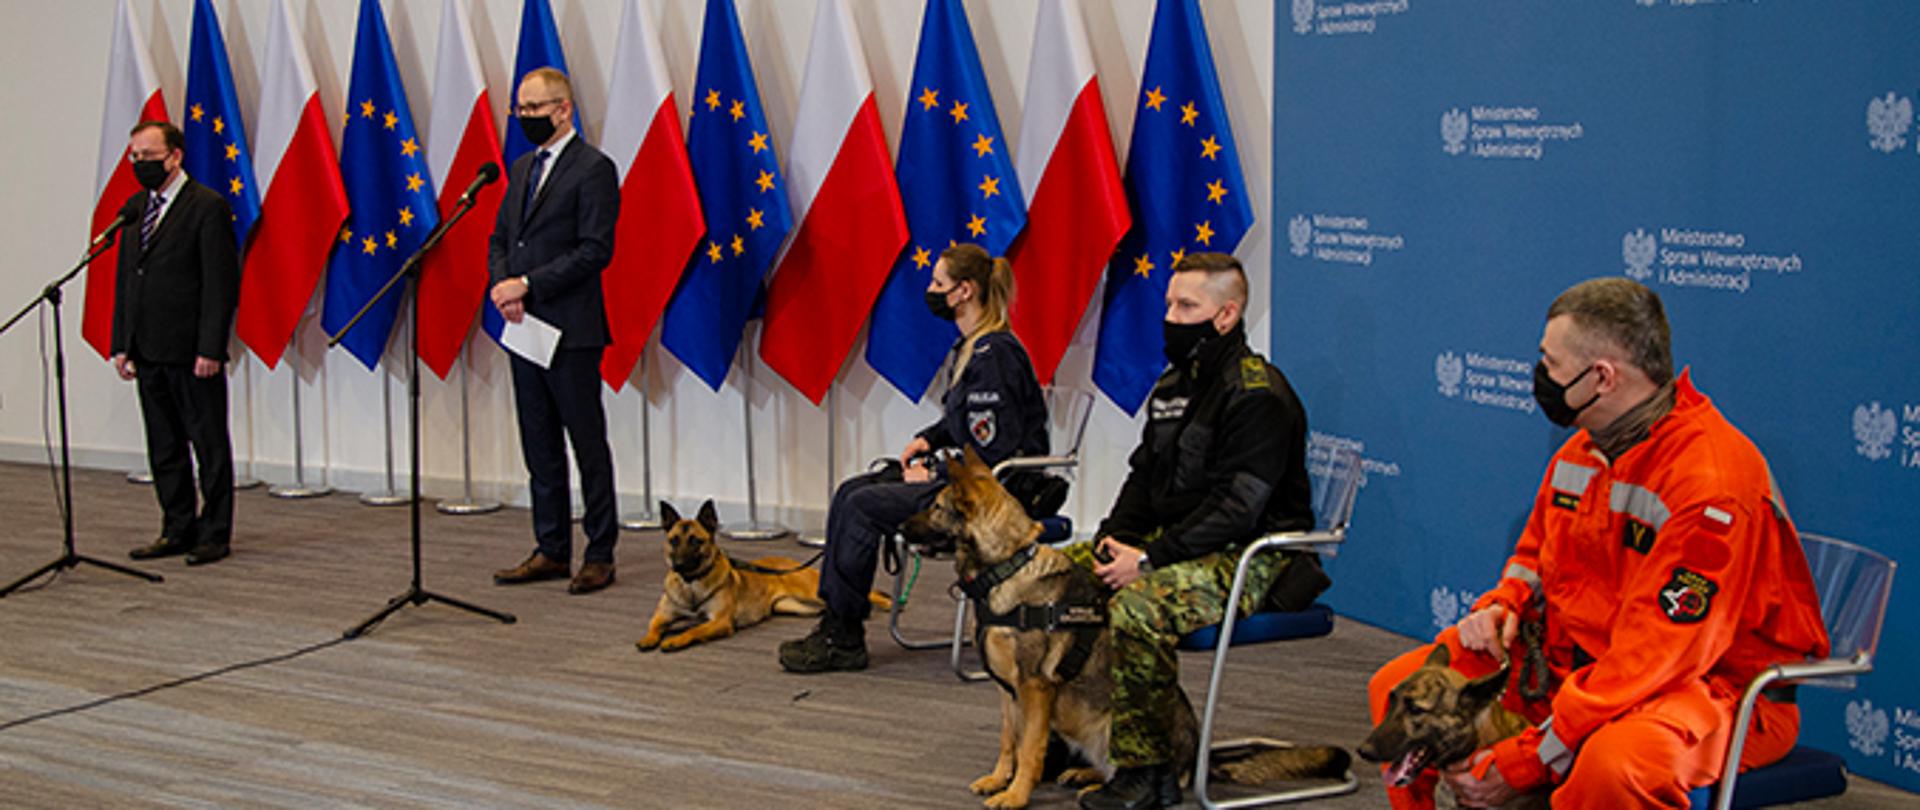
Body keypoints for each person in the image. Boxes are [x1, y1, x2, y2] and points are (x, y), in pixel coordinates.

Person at [1365, 278, 1830, 809]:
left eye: (1550, 363)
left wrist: (1528, 758)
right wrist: (1504, 605)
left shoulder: (1712, 482)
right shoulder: (1582, 453)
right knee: (1397, 686)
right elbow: (1532, 558)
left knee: (1613, 765)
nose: (1540, 375)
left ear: (1602, 377)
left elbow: (1658, 653)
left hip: (1707, 688)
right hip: (1577, 667)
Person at [1076, 252, 1316, 810]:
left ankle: (1147, 770)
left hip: (1254, 554)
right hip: (1179, 542)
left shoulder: (1258, 394)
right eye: (1169, 304)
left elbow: (1239, 509)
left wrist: (1148, 560)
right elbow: (1143, 478)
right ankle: (1077, 734)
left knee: (1137, 607)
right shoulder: (1173, 385)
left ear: (1226, 315)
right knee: (1057, 575)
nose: (1170, 318)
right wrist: (1114, 538)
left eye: (1186, 307)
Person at [779, 243, 1048, 673]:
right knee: (850, 491)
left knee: (862, 506)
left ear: (964, 291)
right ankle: (836, 623)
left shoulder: (994, 356)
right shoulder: (972, 348)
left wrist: (935, 471)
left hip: (991, 498)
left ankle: (843, 637)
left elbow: (993, 450)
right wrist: (929, 439)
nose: (931, 290)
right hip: (970, 485)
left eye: (938, 283)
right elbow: (967, 423)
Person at [487, 67, 622, 595]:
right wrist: (504, 286)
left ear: (564, 109)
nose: (525, 117)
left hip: (571, 329)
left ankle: (600, 552)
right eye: (519, 109)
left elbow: (594, 250)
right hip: (524, 326)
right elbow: (502, 238)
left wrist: (527, 284)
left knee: (586, 443)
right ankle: (550, 547)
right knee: (538, 442)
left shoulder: (594, 168)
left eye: (534, 109)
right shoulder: (522, 167)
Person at [113, 121, 240, 567]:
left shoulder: (207, 206)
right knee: (164, 446)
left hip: (191, 352)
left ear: (175, 157)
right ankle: (176, 528)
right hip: (147, 349)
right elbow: (127, 281)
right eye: (134, 157)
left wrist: (211, 347)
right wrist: (122, 343)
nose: (140, 164)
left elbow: (220, 285)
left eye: (148, 156)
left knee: (209, 445)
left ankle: (215, 533)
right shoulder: (135, 209)